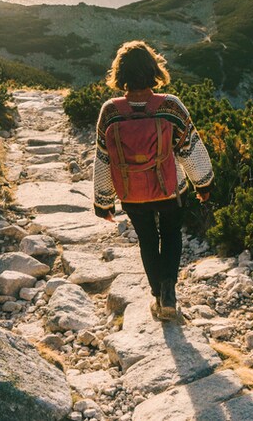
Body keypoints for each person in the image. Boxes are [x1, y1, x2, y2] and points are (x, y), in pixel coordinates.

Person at [93, 40, 214, 320]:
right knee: (171, 236)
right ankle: (169, 293)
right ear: (153, 70)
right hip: (169, 189)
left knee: (147, 240)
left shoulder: (110, 111)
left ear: (120, 74)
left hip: (131, 194)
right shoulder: (170, 106)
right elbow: (190, 147)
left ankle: (158, 297)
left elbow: (103, 158)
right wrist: (204, 183)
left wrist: (103, 201)